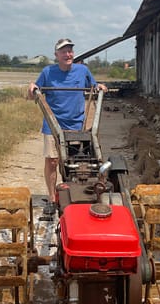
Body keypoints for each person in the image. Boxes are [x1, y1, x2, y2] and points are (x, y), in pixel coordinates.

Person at [28, 38, 107, 214]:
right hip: (53, 124)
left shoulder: (82, 70)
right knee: (52, 161)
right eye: (63, 51)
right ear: (56, 55)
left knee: (77, 162)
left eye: (70, 50)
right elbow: (34, 93)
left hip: (76, 124)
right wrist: (32, 88)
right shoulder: (48, 72)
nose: (68, 54)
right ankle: (51, 198)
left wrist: (99, 86)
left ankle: (77, 193)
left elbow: (93, 85)